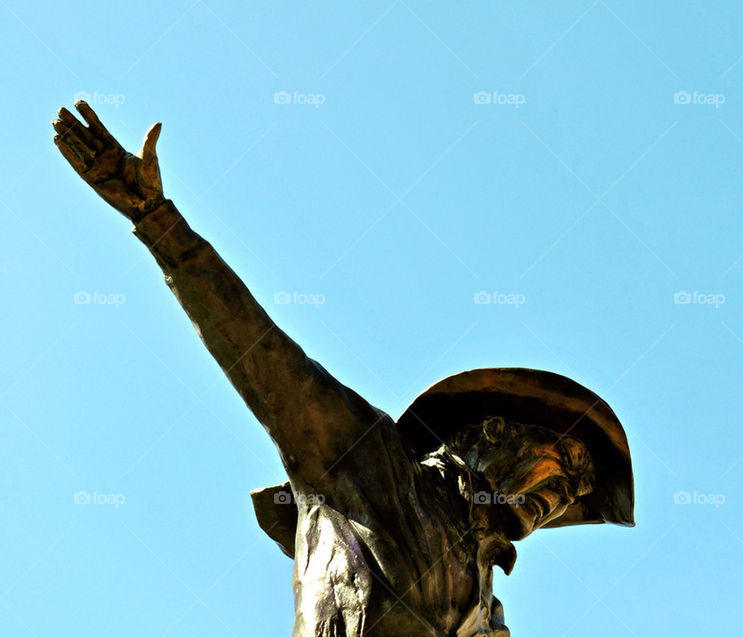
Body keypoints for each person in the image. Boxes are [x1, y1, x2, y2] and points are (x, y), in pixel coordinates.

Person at [52, 101, 635, 637]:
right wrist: (159, 221)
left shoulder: (488, 603)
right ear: (495, 432)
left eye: (570, 499)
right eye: (562, 474)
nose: (557, 503)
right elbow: (264, 359)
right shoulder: (368, 461)